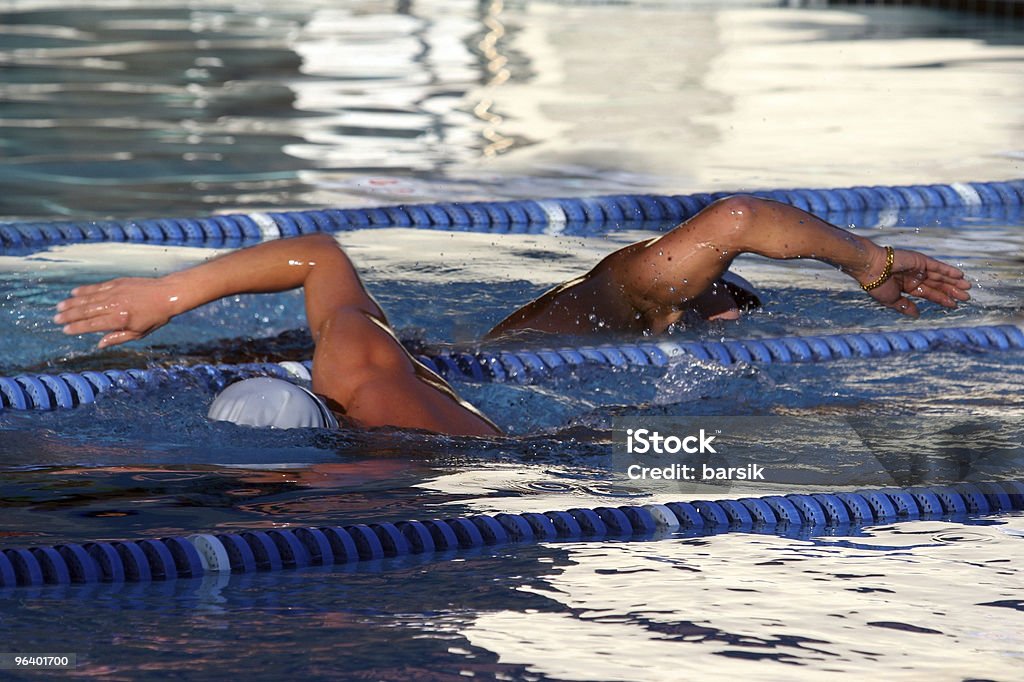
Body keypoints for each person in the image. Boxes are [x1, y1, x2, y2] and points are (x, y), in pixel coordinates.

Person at [53, 196, 971, 436]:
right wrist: (876, 266)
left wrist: (160, 297)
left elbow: (321, 257)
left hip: (420, 368)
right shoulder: (629, 301)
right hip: (503, 417)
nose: (728, 313)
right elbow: (736, 222)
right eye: (726, 296)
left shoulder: (360, 373)